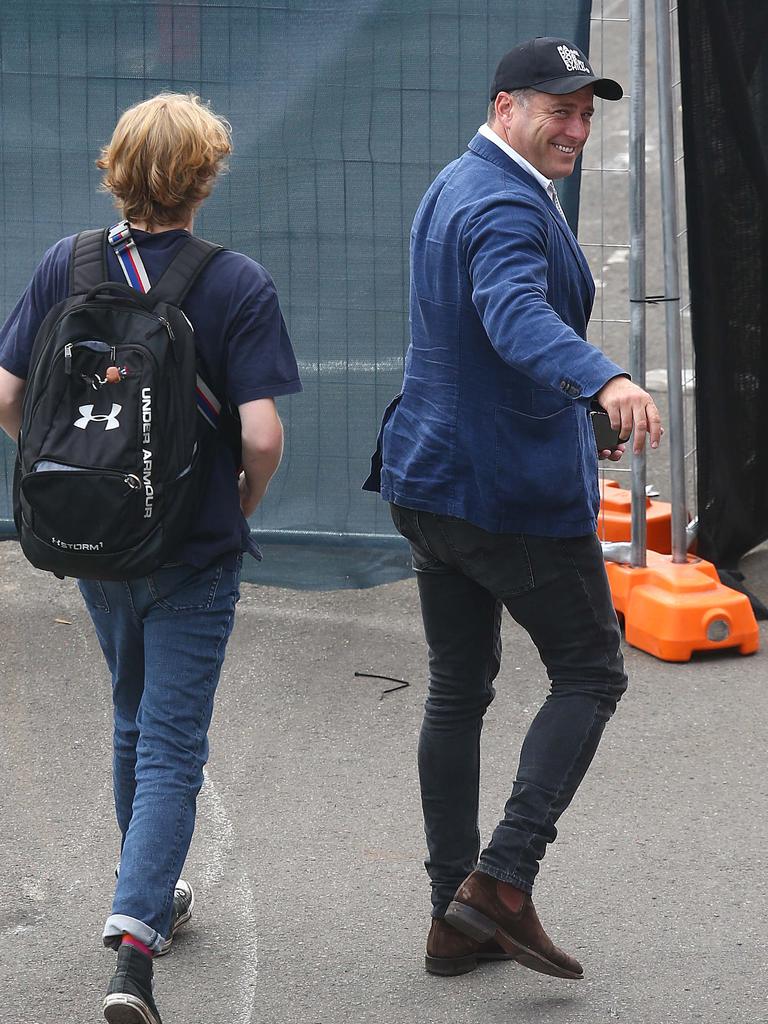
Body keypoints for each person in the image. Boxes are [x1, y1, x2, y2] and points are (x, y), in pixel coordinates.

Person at [364, 37, 662, 980]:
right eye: (556, 109)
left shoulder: (462, 178)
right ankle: (500, 881)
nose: (574, 127)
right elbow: (513, 313)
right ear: (505, 109)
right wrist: (602, 375)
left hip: (430, 480)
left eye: (584, 112)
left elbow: (485, 340)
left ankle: (453, 919)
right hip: (505, 497)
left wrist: (578, 408)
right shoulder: (497, 198)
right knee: (589, 673)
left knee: (459, 686)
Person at [0, 93, 301, 1023]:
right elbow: (259, 435)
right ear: (204, 178)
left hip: (96, 541)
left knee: (133, 715)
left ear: (116, 170)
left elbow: (9, 397)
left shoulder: (68, 263)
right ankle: (134, 944)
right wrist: (242, 502)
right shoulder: (233, 281)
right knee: (172, 742)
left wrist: (71, 474)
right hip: (193, 547)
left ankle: (154, 896)